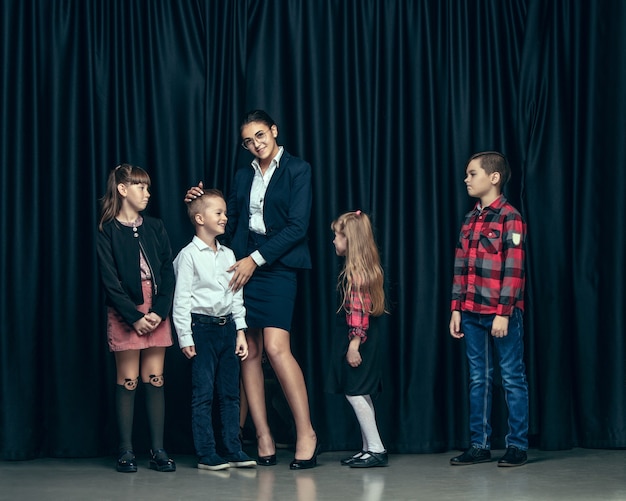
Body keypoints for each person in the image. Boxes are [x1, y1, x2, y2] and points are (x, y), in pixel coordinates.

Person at [185, 109, 318, 469]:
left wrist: (255, 260)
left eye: (260, 135)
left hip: (276, 267)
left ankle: (306, 433)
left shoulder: (298, 170)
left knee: (276, 348)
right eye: (248, 141)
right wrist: (200, 203)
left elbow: (297, 227)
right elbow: (233, 223)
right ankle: (262, 435)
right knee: (250, 351)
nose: (256, 144)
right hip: (242, 266)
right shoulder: (243, 176)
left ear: (274, 131)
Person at [448, 151, 529, 467]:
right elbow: (460, 266)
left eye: (472, 174)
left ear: (493, 177)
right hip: (470, 312)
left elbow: (514, 269)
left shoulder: (511, 217)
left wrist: (503, 312)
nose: (466, 179)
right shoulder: (469, 219)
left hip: (500, 314)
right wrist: (456, 308)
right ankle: (479, 445)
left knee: (511, 377)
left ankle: (517, 445)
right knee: (478, 378)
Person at [96, 164, 176, 473]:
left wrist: (158, 311)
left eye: (148, 187)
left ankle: (158, 449)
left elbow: (168, 270)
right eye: (140, 186)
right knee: (128, 379)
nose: (147, 193)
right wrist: (133, 316)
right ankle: (126, 450)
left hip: (156, 309)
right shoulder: (107, 229)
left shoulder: (155, 226)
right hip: (126, 310)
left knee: (154, 378)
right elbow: (109, 280)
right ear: (122, 189)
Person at [172, 189, 257, 471]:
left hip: (227, 329)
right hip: (202, 330)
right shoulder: (188, 256)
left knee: (231, 394)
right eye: (218, 213)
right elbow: (181, 299)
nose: (224, 217)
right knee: (204, 394)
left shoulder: (229, 254)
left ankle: (233, 449)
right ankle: (207, 453)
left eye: (224, 212)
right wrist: (185, 337)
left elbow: (236, 296)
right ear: (199, 218)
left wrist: (240, 332)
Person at [327, 210, 388, 468]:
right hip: (364, 340)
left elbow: (359, 314)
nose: (333, 241)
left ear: (349, 240)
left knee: (354, 392)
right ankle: (367, 448)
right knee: (361, 392)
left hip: (359, 341)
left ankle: (376, 448)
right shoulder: (362, 270)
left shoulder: (356, 274)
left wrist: (354, 345)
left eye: (337, 236)